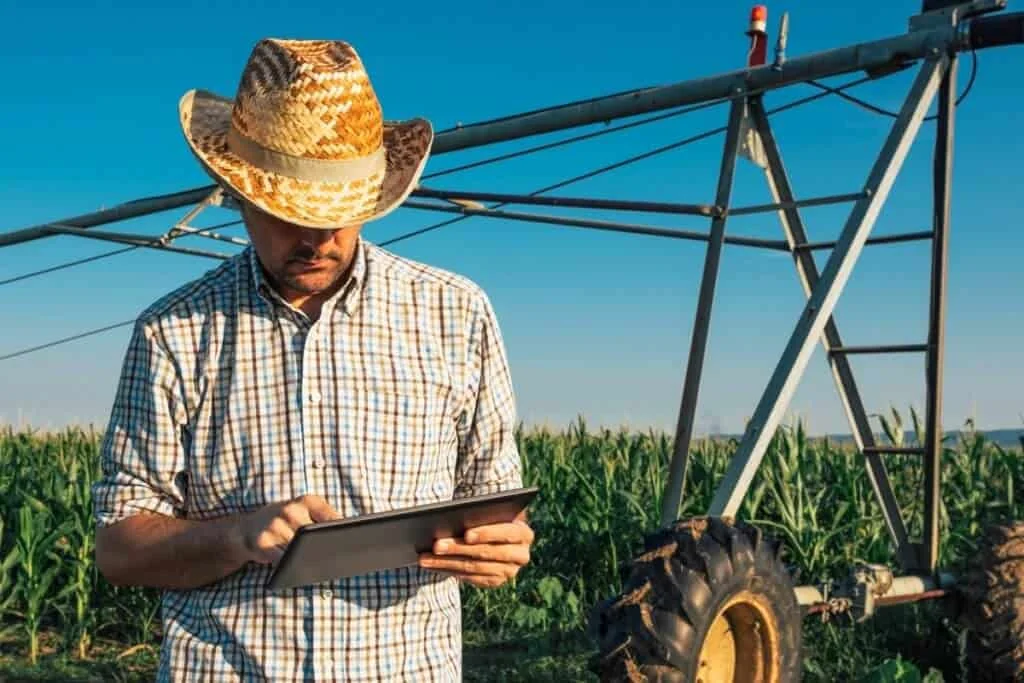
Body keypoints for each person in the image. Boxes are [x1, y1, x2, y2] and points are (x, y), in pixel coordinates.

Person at [91, 38, 534, 682]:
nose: (319, 239)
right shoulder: (173, 332)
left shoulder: (456, 313)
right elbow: (120, 551)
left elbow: (495, 506)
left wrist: (505, 547)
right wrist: (239, 536)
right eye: (288, 213)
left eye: (345, 212)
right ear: (237, 194)